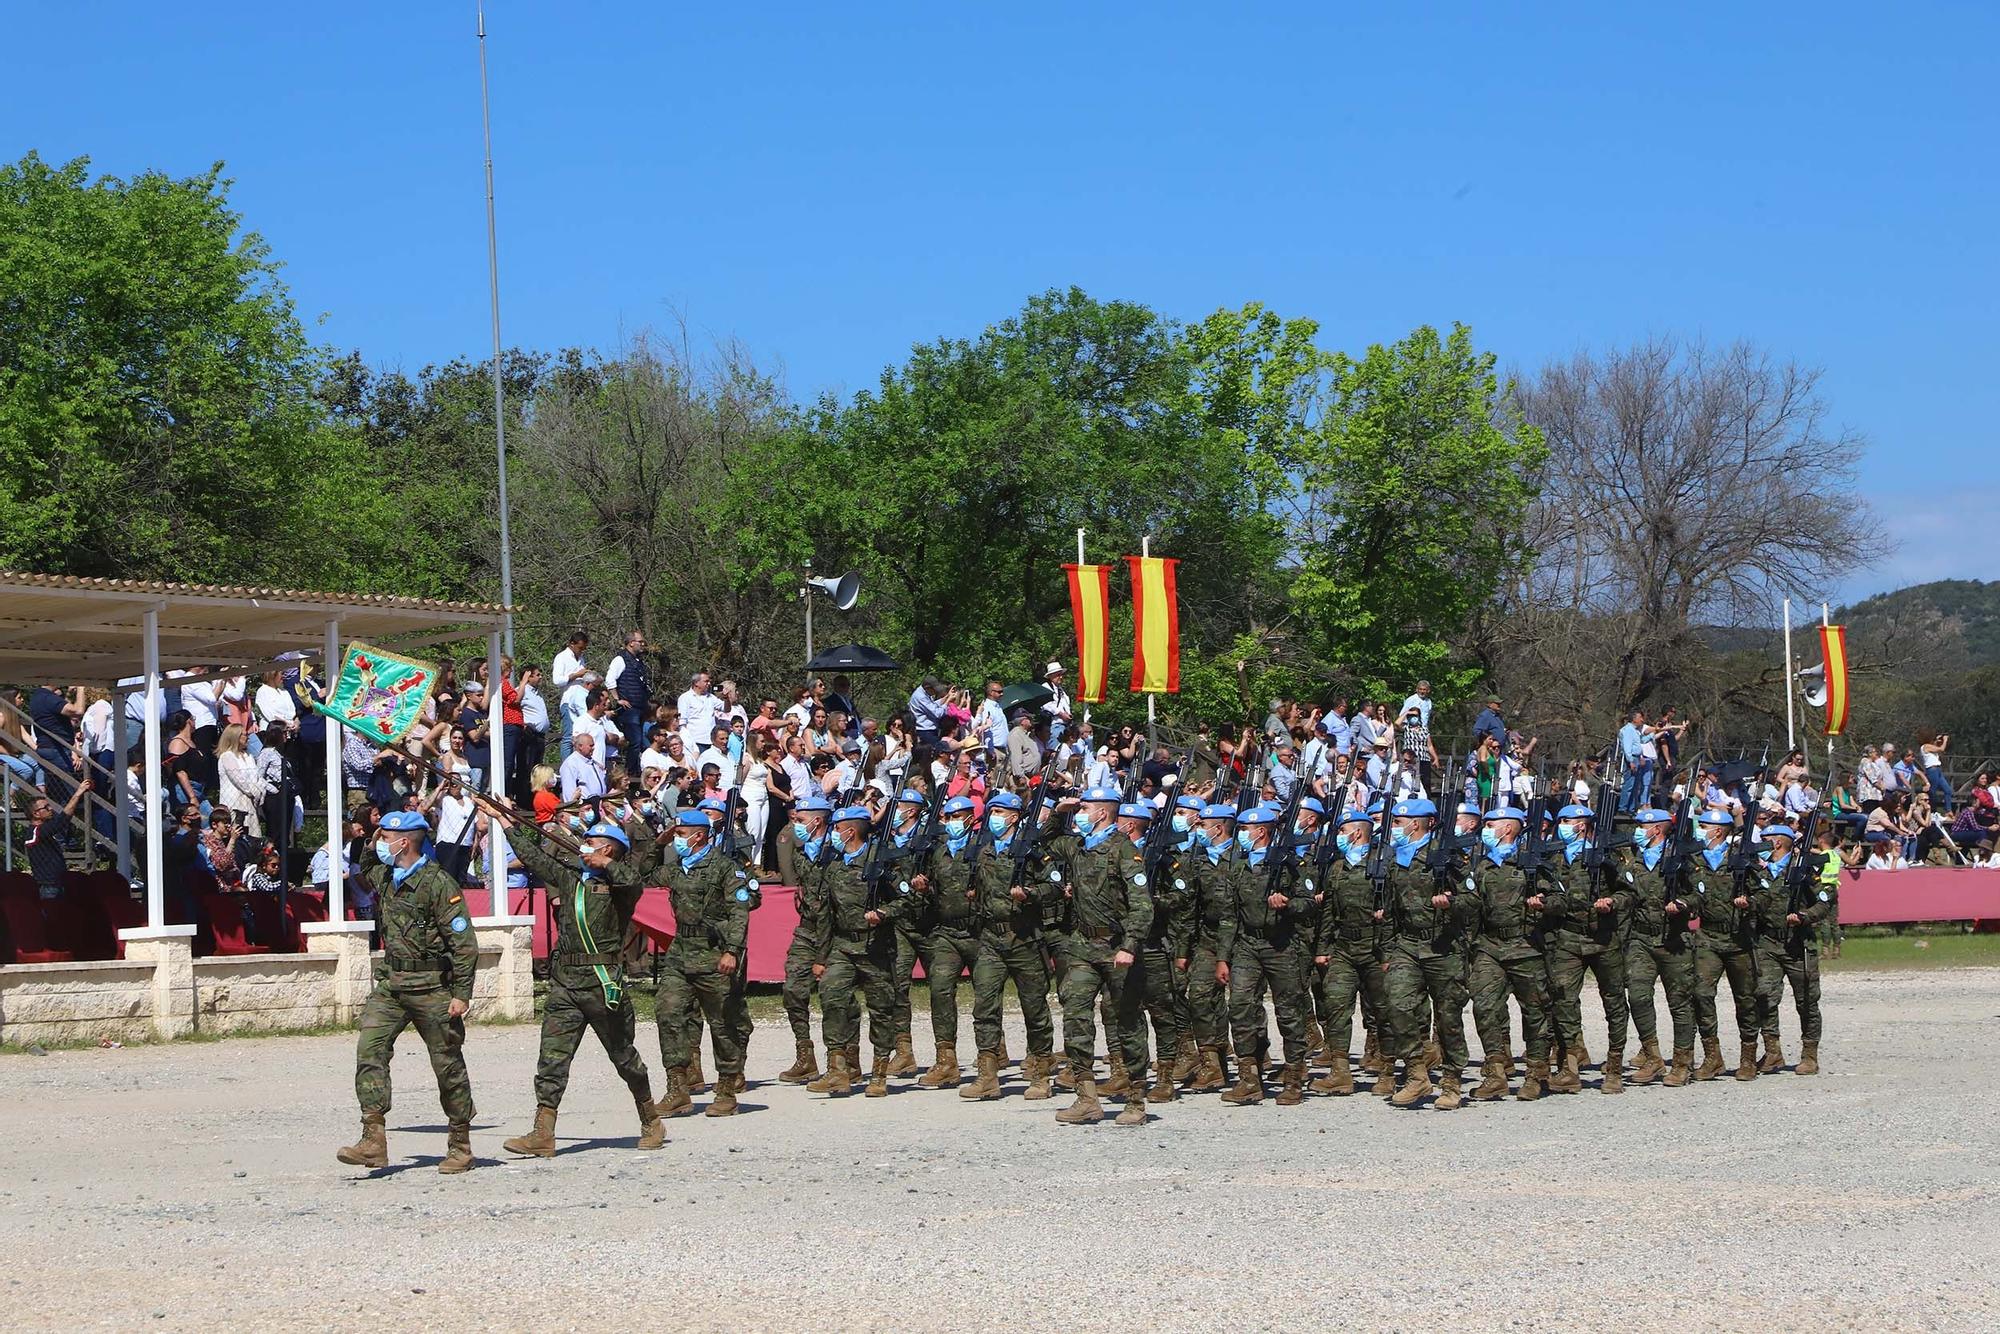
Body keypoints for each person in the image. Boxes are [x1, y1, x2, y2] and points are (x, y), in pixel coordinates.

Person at [497, 814, 664, 1157]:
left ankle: (650, 1119)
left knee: (624, 1057)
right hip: (565, 985)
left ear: (606, 849)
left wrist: (606, 864)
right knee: (552, 1060)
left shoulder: (620, 885)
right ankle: (543, 1132)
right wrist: (505, 822)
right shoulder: (570, 875)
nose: (583, 845)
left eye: (591, 842)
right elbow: (535, 858)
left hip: (602, 985)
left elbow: (634, 881)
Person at [336, 810, 479, 1175]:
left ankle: (460, 1144)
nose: (381, 842)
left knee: (447, 1064)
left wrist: (461, 993)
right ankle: (373, 1139)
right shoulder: (387, 875)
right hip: (393, 985)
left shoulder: (437, 883)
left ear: (405, 842)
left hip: (432, 987)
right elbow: (364, 862)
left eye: (386, 837)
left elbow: (463, 944)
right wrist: (371, 838)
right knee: (370, 1050)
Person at [1047, 786, 1153, 1126]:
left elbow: (1141, 904)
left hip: (1117, 947)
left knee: (1127, 1021)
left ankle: (1136, 1099)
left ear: (1102, 813)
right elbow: (1042, 841)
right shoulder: (1078, 846)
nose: (1081, 811)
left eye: (1085, 807)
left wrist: (1130, 945)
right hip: (1082, 945)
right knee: (1075, 1016)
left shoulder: (1124, 850)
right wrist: (1058, 810)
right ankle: (1087, 1098)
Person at [651, 809, 760, 1117]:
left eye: (680, 835)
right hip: (681, 952)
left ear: (698, 836)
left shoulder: (725, 868)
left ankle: (726, 1088)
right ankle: (678, 1088)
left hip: (715, 953)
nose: (677, 840)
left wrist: (732, 951)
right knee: (668, 1012)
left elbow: (740, 911)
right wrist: (657, 845)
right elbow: (642, 875)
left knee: (723, 1022)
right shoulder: (677, 868)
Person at [958, 791, 1059, 1101]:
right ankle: (988, 1074)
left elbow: (1054, 885)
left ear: (1015, 817)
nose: (994, 817)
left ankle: (1041, 1073)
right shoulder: (983, 850)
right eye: (992, 811)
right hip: (990, 939)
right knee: (984, 1006)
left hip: (1024, 939)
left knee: (1034, 1008)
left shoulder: (1032, 851)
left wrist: (1029, 893)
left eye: (1000, 812)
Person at [806, 805, 910, 1097]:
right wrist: (820, 957)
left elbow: (906, 900)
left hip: (875, 946)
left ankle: (879, 1072)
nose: (834, 835)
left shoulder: (881, 862)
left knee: (881, 1009)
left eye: (838, 829)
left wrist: (884, 913)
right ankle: (838, 1070)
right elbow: (826, 914)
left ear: (850, 831)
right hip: (843, 946)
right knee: (832, 996)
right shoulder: (835, 866)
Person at [1379, 798, 1473, 1109]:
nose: (1393, 828)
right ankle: (1417, 1075)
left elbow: (1473, 901)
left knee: (1448, 1018)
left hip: (1444, 946)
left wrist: (1452, 902)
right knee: (1397, 1004)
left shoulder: (1449, 856)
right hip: (1407, 944)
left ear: (1417, 823)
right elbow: (1390, 908)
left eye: (1397, 822)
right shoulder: (1397, 859)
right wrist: (1386, 950)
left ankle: (1452, 1082)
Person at [1218, 806, 1313, 1107]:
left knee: (1289, 1013)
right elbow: (1229, 916)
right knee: (1241, 1007)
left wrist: (1287, 904)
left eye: (1245, 829)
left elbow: (1309, 904)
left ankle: (1294, 1079)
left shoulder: (1289, 865)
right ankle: (1249, 1079)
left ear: (1261, 831)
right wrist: (1223, 956)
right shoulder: (1239, 866)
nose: (1240, 835)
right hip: (1247, 944)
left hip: (1282, 945)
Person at [1465, 804, 1554, 1101]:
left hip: (1526, 945)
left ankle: (1535, 1073)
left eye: (1490, 826)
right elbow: (1471, 905)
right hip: (1490, 946)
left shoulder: (1532, 863)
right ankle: (1496, 1072)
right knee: (1485, 1007)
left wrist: (1543, 904)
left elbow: (1561, 902)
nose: (1484, 831)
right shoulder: (1482, 865)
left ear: (1507, 829)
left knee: (1535, 1012)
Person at [1542, 802, 1632, 1093]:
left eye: (1568, 822)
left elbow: (1630, 892)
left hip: (1604, 938)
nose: (1563, 827)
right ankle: (1569, 1067)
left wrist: (1612, 902)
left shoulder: (1607, 853)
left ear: (1582, 824)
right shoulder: (1555, 856)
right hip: (1569, 938)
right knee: (1562, 1000)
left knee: (1614, 1002)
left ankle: (1615, 1067)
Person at [902, 794, 982, 1089]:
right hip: (947, 932)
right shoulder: (939, 852)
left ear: (970, 818)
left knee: (985, 995)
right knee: (940, 989)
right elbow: (932, 887)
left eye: (956, 817)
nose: (950, 823)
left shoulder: (982, 847)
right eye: (947, 818)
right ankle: (946, 1061)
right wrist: (923, 888)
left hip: (978, 932)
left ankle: (992, 1054)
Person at [1621, 807, 1698, 1087]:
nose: (1638, 830)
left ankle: (1681, 1063)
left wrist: (1683, 904)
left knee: (1680, 1003)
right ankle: (1653, 1057)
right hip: (1641, 939)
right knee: (1638, 996)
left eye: (1643, 826)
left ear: (1657, 829)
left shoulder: (1680, 859)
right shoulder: (1635, 861)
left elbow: (1699, 893)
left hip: (1674, 939)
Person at [1748, 823, 1832, 1075]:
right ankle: (1773, 1051)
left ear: (1779, 842)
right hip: (1768, 943)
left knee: (1806, 1000)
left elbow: (1826, 898)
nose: (1761, 844)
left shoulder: (1803, 868)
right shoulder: (1758, 871)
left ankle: (1809, 1055)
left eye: (1766, 839)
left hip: (1798, 943)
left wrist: (1805, 916)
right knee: (1764, 996)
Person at [1688, 810, 1764, 1081]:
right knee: (1700, 993)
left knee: (1745, 999)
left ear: (1718, 830)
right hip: (1708, 937)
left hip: (1739, 938)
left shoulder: (1741, 858)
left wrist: (1749, 903)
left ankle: (1748, 1058)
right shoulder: (1695, 858)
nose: (1701, 830)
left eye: (1705, 826)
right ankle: (1713, 1056)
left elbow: (1763, 894)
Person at [215, 723, 266, 837]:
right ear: (235, 737)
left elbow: (257, 777)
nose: (248, 737)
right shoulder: (227, 756)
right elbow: (239, 780)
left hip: (251, 803)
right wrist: (254, 791)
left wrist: (258, 790)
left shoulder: (249, 756)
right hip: (234, 804)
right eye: (244, 735)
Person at [559, 731, 607, 804]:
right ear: (580, 746)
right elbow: (569, 793)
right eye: (591, 746)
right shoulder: (571, 764)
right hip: (585, 807)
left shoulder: (593, 762)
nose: (593, 748)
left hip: (599, 805)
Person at [1040, 662, 1073, 745]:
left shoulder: (1061, 690)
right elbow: (1046, 704)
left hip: (1065, 726)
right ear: (1051, 676)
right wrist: (1061, 714)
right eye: (1058, 675)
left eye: (1061, 675)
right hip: (1054, 725)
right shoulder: (1045, 687)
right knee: (1054, 750)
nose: (1061, 677)